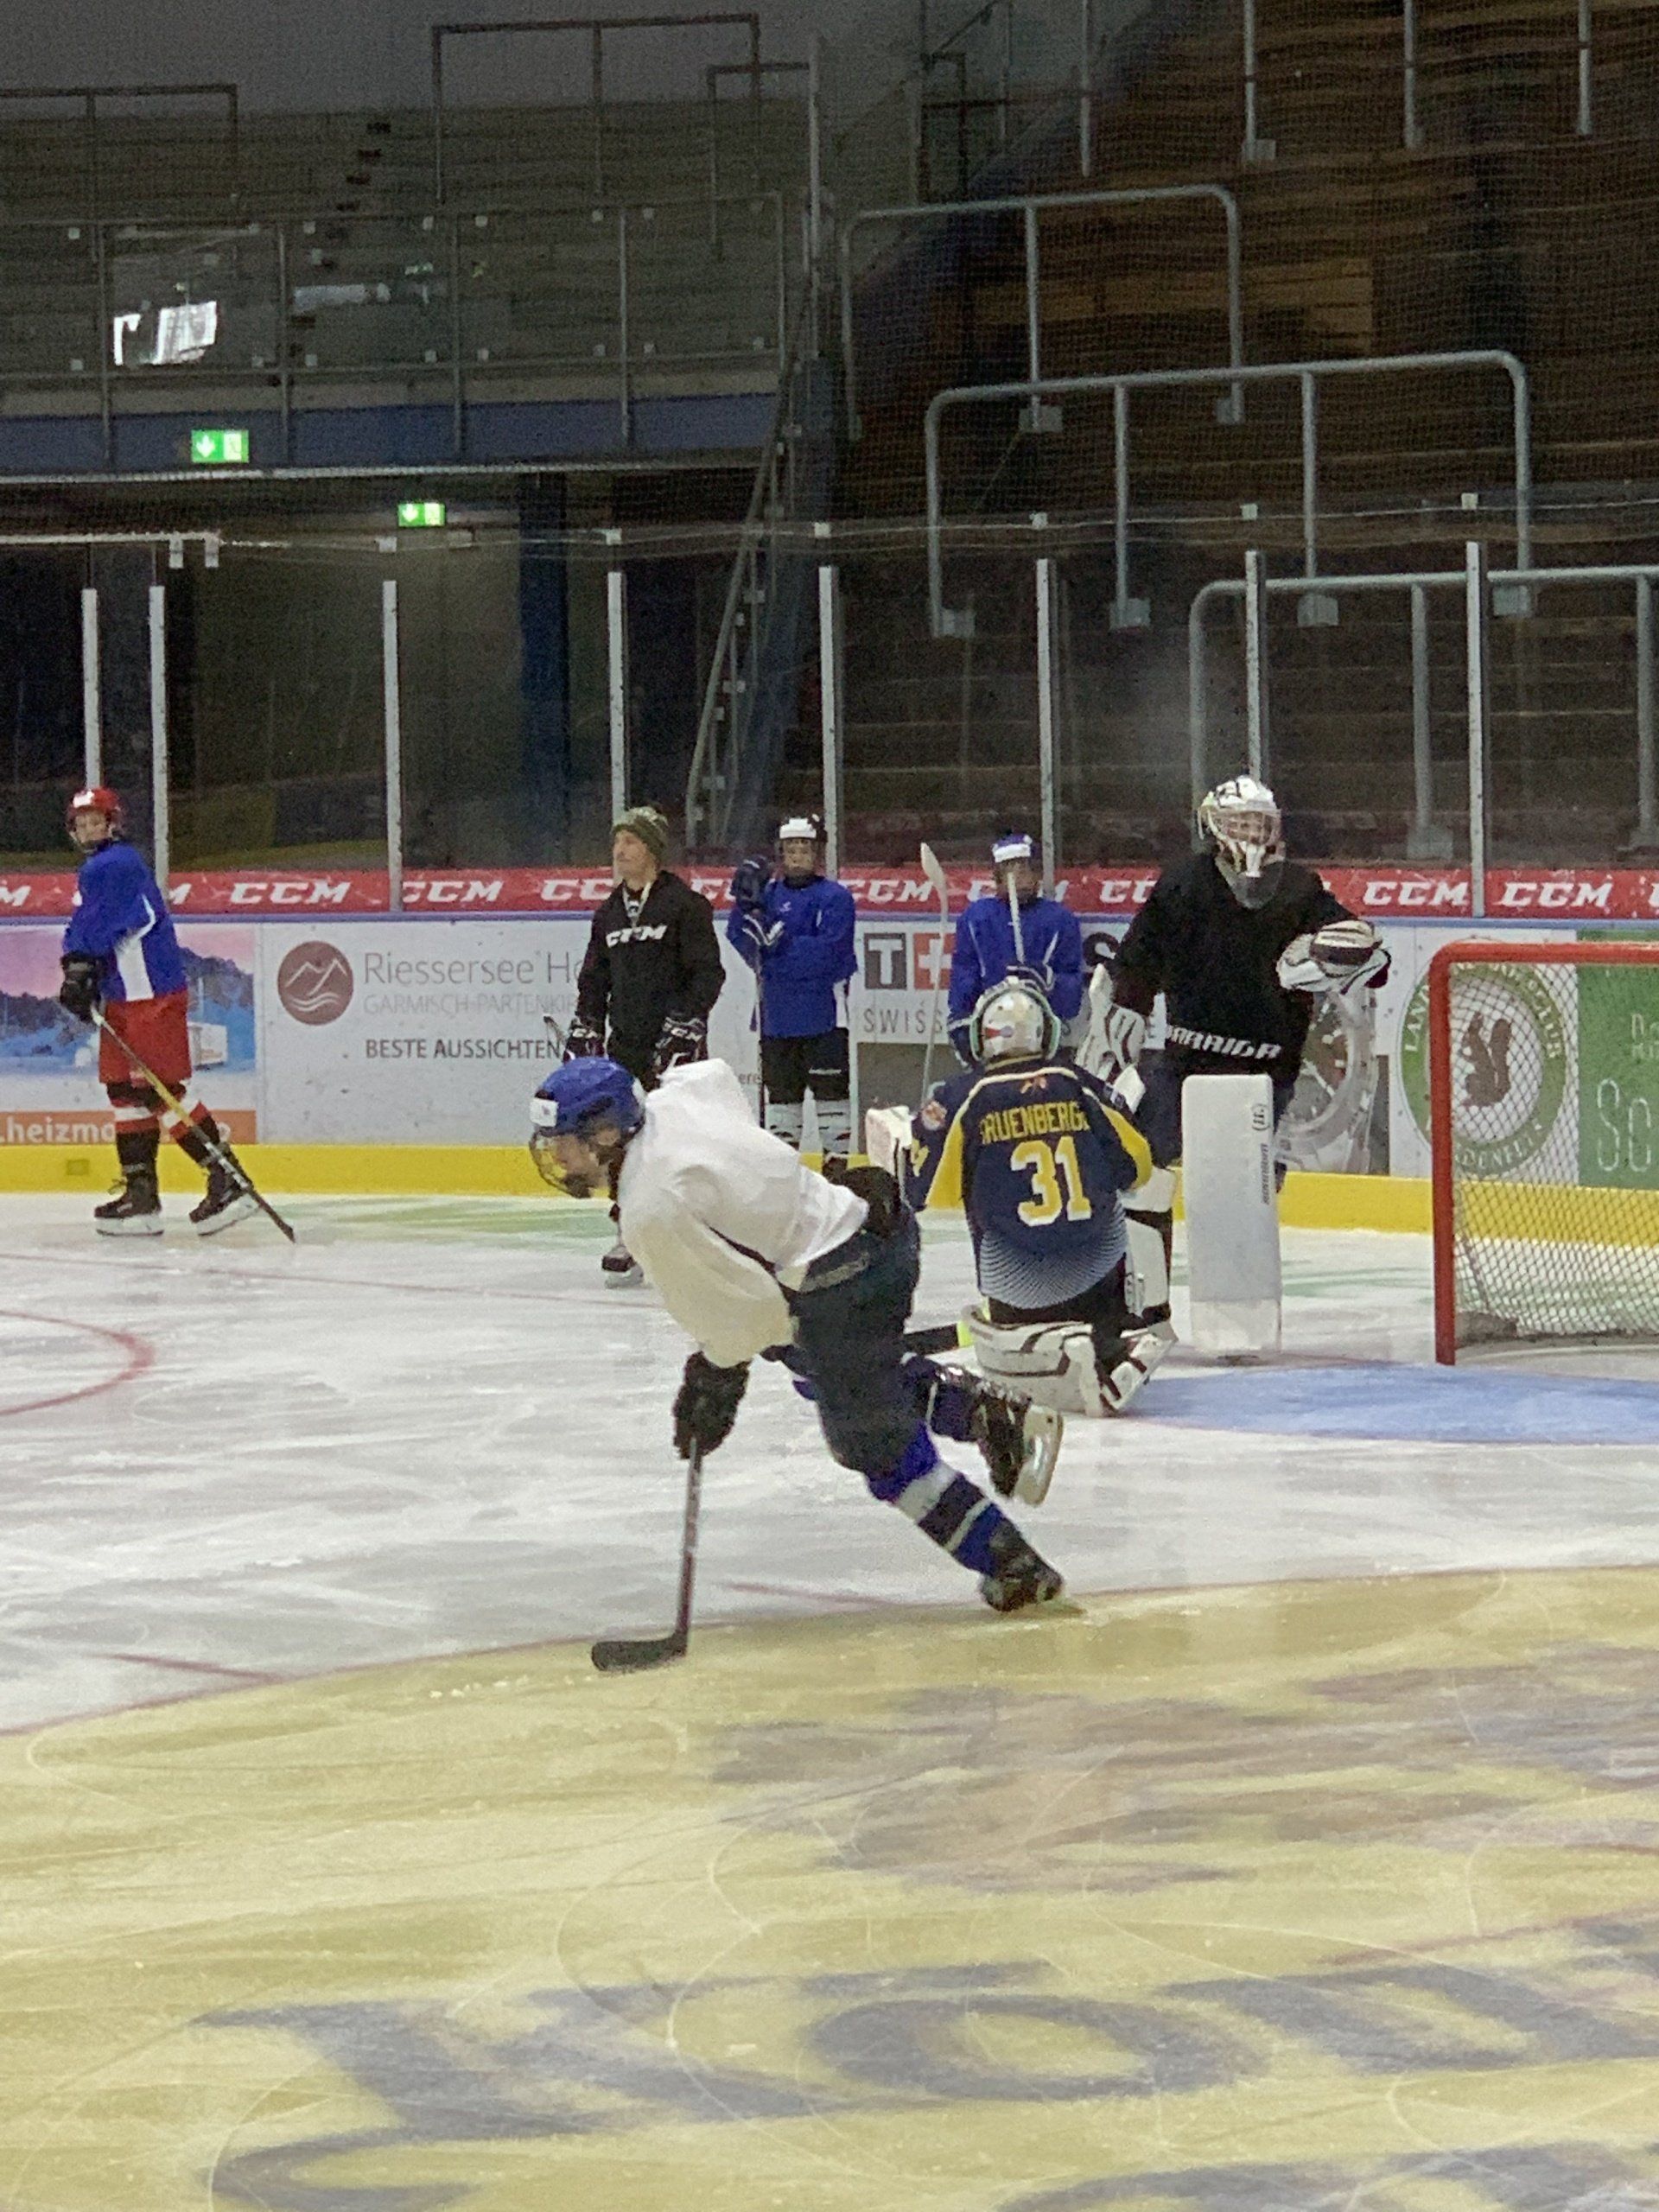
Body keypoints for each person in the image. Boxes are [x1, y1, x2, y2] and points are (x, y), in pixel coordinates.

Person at [528, 1055, 1067, 1611]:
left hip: (850, 1279)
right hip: (871, 1221)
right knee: (832, 1369)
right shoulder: (673, 1102)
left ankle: (1012, 1564)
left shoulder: (652, 1209)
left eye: (563, 1143)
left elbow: (749, 1317)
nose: (555, 1157)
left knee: (874, 1446)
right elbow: (711, 1073)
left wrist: (715, 1377)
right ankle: (983, 1413)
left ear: (607, 1134)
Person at [1091, 776, 1389, 1329]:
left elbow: (1356, 947)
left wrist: (1363, 954)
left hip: (1266, 1070)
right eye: (1241, 821)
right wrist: (1126, 1007)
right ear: (1214, 825)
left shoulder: (1299, 889)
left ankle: (1238, 1315)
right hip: (1185, 1065)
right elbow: (1139, 958)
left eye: (1260, 822)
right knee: (1141, 1176)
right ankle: (1142, 1307)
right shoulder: (1184, 883)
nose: (1252, 832)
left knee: (1238, 1198)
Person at [907, 977, 1166, 1431]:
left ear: (981, 1037)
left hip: (1016, 1292)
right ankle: (1123, 1328)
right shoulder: (1080, 1084)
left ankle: (1048, 1341)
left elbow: (927, 1194)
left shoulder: (958, 1097)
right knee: (1128, 1201)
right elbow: (1138, 1168)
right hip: (1100, 1283)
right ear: (1045, 1032)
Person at [56, 785, 256, 1238]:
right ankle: (140, 1196)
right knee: (125, 1090)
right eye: (81, 823)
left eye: (96, 821)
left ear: (112, 824)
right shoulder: (99, 867)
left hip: (150, 993)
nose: (88, 829)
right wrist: (82, 971)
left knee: (159, 1088)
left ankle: (228, 1178)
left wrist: (82, 965)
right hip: (125, 994)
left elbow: (115, 922)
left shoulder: (116, 864)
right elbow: (88, 926)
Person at [566, 804, 725, 1287]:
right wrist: (586, 1024)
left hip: (675, 1047)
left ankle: (693, 1234)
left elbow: (707, 973)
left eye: (630, 841)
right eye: (617, 841)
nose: (619, 850)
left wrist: (687, 1023)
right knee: (620, 1140)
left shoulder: (685, 906)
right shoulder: (608, 913)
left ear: (653, 850)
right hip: (626, 1048)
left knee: (677, 1139)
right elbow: (594, 980)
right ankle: (628, 1233)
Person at [728, 814, 857, 1164]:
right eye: (791, 848)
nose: (797, 855)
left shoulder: (836, 897)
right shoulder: (767, 894)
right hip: (777, 1019)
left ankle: (838, 1173)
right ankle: (782, 1176)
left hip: (825, 1017)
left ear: (817, 853)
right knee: (782, 1103)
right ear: (780, 852)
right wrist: (742, 907)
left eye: (805, 848)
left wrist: (776, 944)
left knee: (832, 1099)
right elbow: (741, 939)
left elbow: (827, 956)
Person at [947, 831, 1083, 1064]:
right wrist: (962, 1024)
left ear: (1037, 874)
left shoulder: (1060, 920)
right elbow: (964, 977)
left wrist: (1049, 981)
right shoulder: (976, 918)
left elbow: (1071, 999)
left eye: (1024, 869)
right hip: (990, 1037)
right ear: (997, 877)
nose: (1017, 878)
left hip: (1041, 1037)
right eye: (1009, 870)